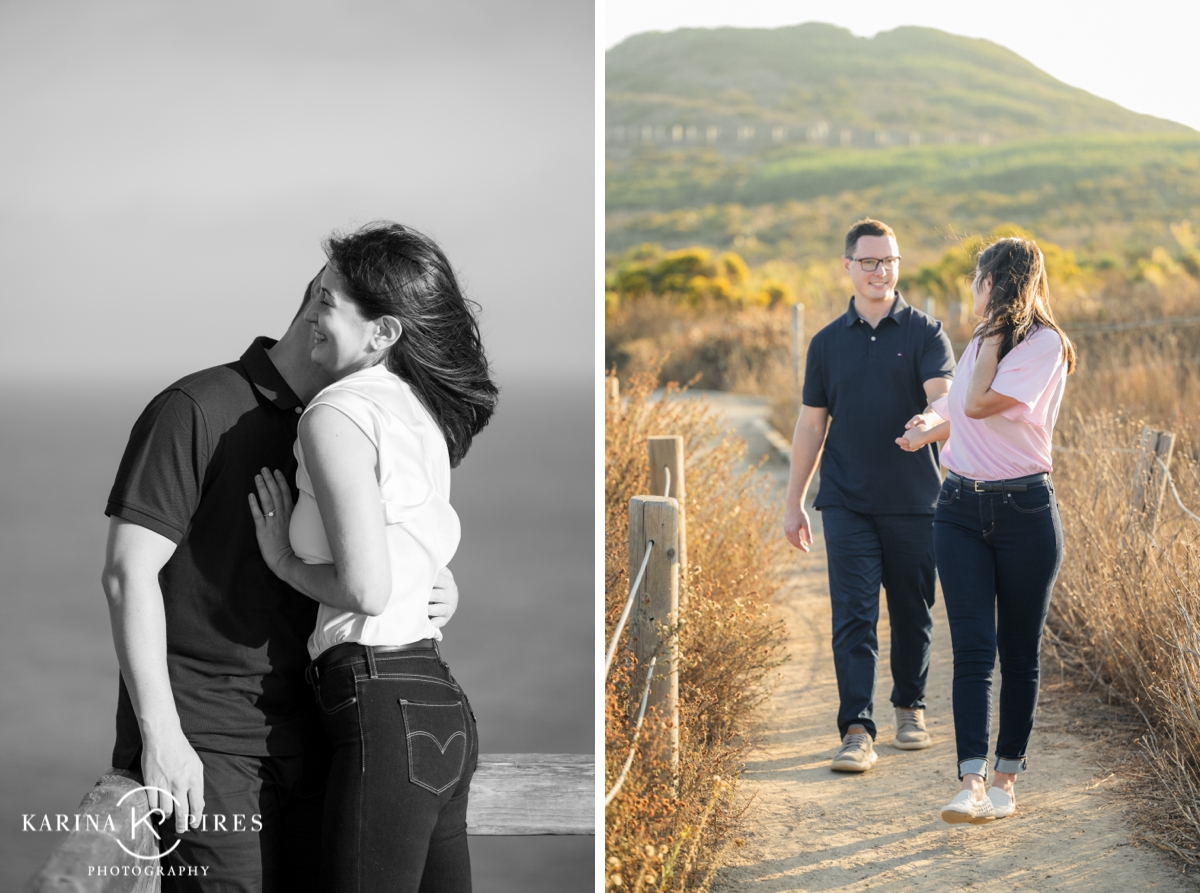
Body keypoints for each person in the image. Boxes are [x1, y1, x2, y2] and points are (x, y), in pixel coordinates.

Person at [101, 270, 459, 891]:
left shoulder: (348, 421)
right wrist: (161, 736)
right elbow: (127, 572)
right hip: (210, 746)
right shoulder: (198, 408)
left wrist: (435, 588)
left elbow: (374, 559)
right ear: (321, 304)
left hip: (325, 741)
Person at [248, 222, 498, 892]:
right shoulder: (420, 413)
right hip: (440, 703)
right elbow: (415, 554)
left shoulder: (335, 413)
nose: (307, 317)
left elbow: (367, 587)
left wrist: (284, 563)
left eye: (325, 302)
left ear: (383, 332)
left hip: (378, 700)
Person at [897, 237, 1074, 823]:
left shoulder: (1044, 345)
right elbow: (955, 409)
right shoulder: (978, 341)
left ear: (997, 283)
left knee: (1018, 651)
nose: (971, 290)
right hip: (959, 510)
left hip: (1025, 512)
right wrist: (928, 421)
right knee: (972, 650)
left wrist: (996, 330)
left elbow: (977, 403)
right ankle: (971, 781)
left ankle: (1006, 780)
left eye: (979, 279)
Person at [783, 218, 955, 772]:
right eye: (870, 262)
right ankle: (856, 729)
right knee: (853, 615)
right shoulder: (826, 343)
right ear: (848, 266)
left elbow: (943, 399)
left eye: (890, 261)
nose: (881, 271)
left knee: (913, 611)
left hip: (916, 500)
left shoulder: (927, 333)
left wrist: (927, 421)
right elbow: (811, 427)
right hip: (846, 501)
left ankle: (910, 707)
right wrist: (794, 504)